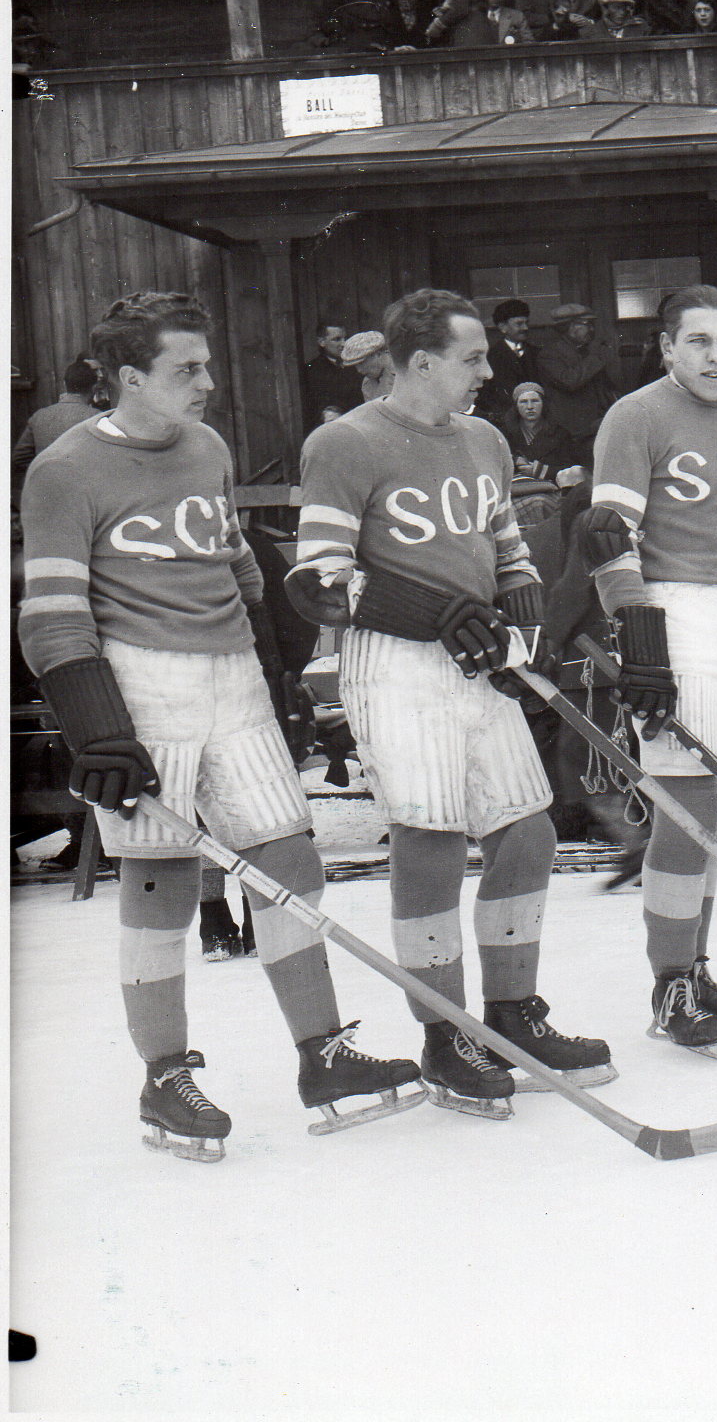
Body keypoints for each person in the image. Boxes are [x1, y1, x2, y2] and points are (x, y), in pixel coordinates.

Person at [19, 291, 420, 1161]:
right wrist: (96, 724)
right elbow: (49, 611)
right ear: (129, 379)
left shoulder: (205, 446)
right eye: (186, 369)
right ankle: (166, 1078)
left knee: (290, 862)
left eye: (206, 364)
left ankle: (325, 1056)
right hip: (139, 684)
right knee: (160, 885)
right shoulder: (63, 469)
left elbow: (232, 556)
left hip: (232, 679)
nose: (208, 382)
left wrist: (278, 662)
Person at [287, 288, 612, 1116]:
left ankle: (513, 1014)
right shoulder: (343, 442)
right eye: (473, 357)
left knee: (527, 830)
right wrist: (434, 613)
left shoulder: (485, 438)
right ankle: (446, 1035)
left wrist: (523, 642)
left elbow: (508, 554)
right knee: (428, 837)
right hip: (396, 661)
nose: (489, 369)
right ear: (421, 361)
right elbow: (320, 582)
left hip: (479, 659)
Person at [584, 283, 717, 1058]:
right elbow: (606, 536)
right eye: (698, 341)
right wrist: (641, 638)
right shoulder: (634, 416)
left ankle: (693, 969)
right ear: (666, 347)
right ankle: (668, 987)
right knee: (686, 804)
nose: (716, 356)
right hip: (671, 611)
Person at [535, 303, 616, 464]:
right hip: (573, 432)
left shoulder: (586, 352)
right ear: (570, 327)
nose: (592, 330)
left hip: (596, 426)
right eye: (587, 325)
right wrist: (595, 357)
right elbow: (569, 381)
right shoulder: (549, 355)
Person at [13, 357, 102, 481]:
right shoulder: (97, 418)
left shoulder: (39, 416)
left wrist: (46, 473)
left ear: (65, 385)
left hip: (46, 488)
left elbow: (19, 457)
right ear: (94, 388)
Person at [481, 299, 537, 421]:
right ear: (503, 327)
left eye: (527, 322)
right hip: (506, 420)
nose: (525, 327)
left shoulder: (536, 353)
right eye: (519, 323)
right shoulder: (491, 357)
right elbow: (486, 396)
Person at [301, 322, 359, 423]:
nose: (344, 344)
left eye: (345, 338)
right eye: (337, 339)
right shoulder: (312, 370)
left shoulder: (356, 365)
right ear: (322, 342)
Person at [340, 330, 393, 403]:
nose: (359, 370)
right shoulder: (367, 385)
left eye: (362, 363)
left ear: (378, 354)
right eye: (356, 366)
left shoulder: (406, 370)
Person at [578, 0, 652, 40]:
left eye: (624, 8)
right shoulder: (587, 33)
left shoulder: (642, 29)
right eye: (616, 8)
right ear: (604, 9)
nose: (622, 12)